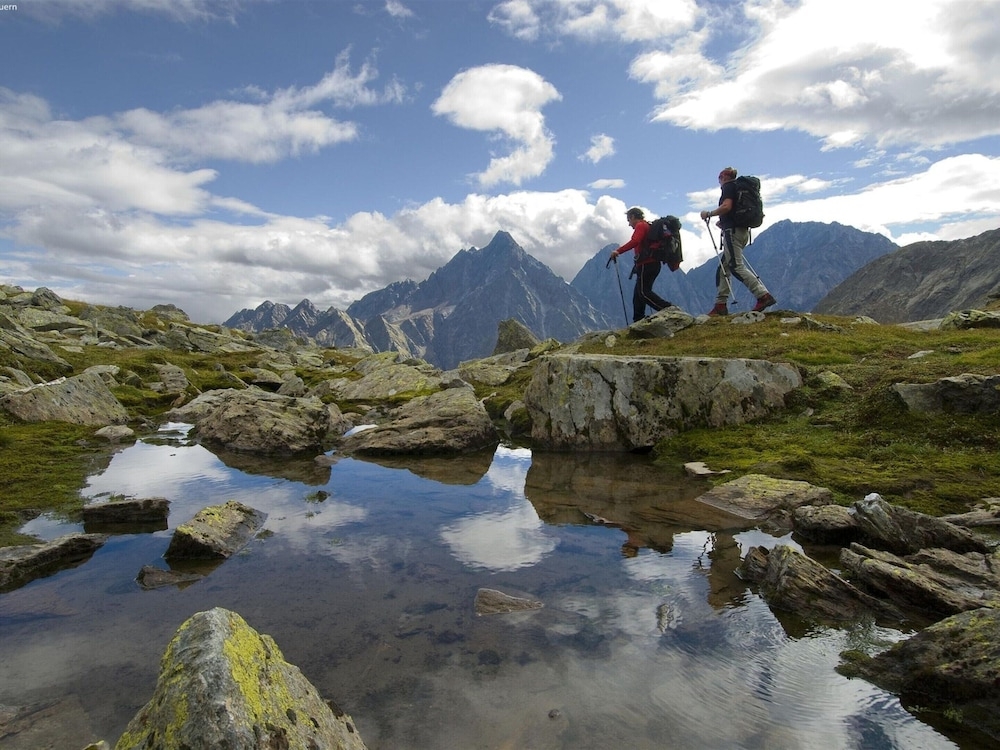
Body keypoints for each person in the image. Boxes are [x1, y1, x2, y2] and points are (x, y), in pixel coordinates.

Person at [700, 167, 777, 316]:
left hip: (732, 233)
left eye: (719, 177)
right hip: (742, 232)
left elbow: (726, 206)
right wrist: (724, 221)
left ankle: (763, 296)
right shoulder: (741, 189)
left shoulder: (729, 187)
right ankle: (720, 304)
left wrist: (709, 214)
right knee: (724, 268)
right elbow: (733, 210)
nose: (719, 181)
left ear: (723, 177)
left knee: (735, 266)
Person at [608, 207, 673, 323]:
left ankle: (668, 309)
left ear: (633, 217)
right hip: (652, 264)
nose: (629, 224)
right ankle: (638, 320)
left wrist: (618, 251)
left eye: (629, 220)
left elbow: (635, 241)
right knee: (638, 294)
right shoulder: (647, 226)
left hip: (646, 264)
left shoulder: (640, 226)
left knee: (643, 292)